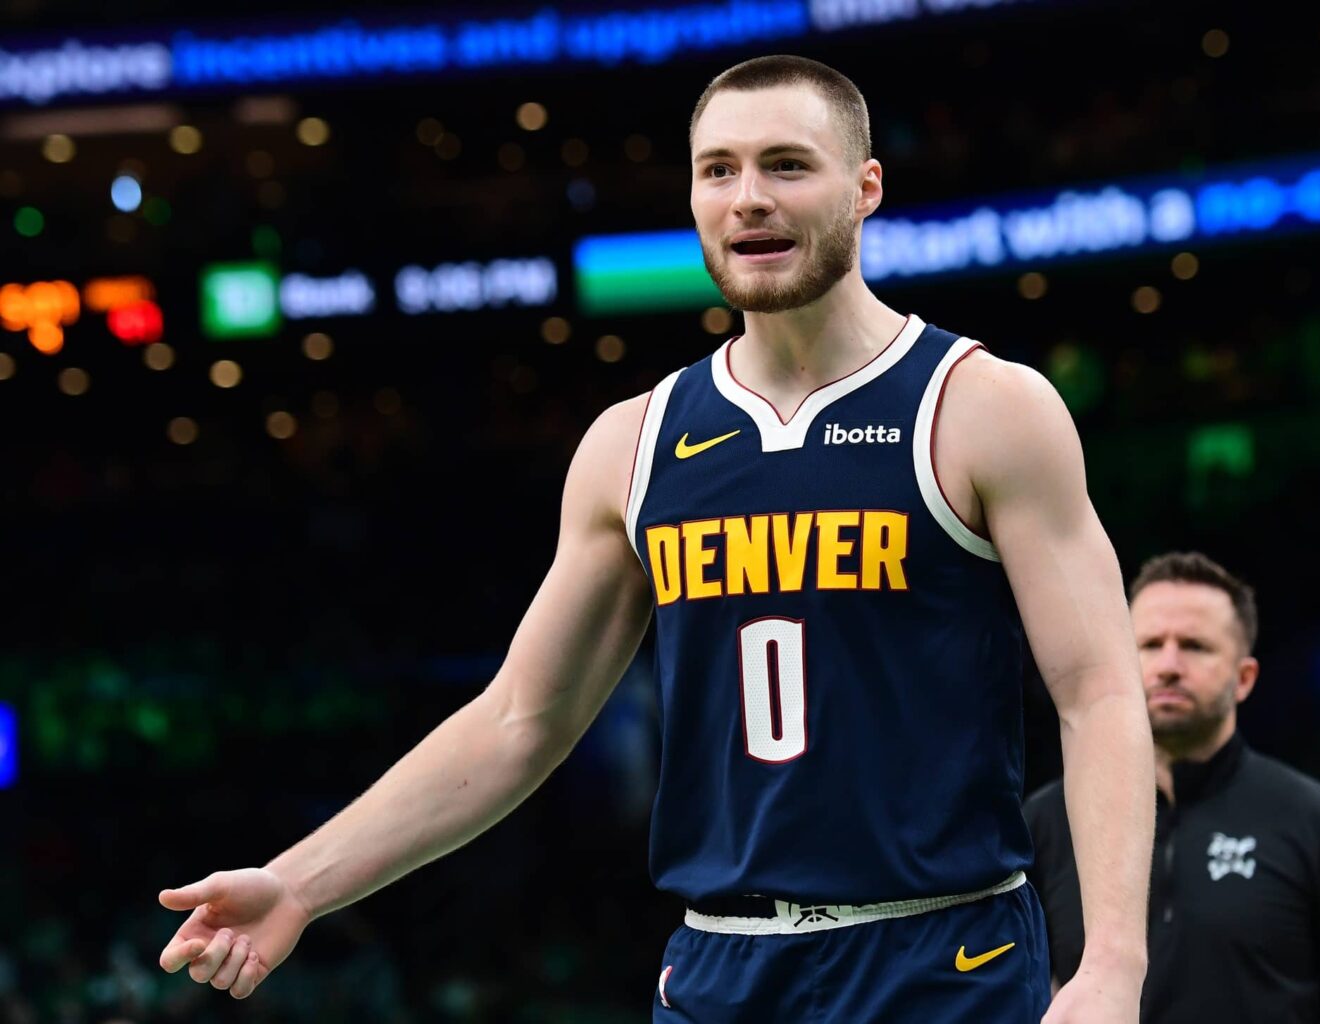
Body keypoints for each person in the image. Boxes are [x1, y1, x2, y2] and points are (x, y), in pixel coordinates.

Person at [156, 55, 1155, 1023]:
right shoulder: (632, 443)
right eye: (717, 170)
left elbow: (1100, 689)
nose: (748, 197)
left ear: (866, 187)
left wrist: (1110, 960)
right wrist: (297, 883)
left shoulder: (985, 407)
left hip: (947, 955)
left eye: (786, 165)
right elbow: (518, 722)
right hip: (717, 968)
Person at [1024, 552, 1320, 1023]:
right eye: (1148, 644)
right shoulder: (1050, 819)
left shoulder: (1315, 821)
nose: (1168, 664)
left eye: (1194, 646)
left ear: (1244, 678)